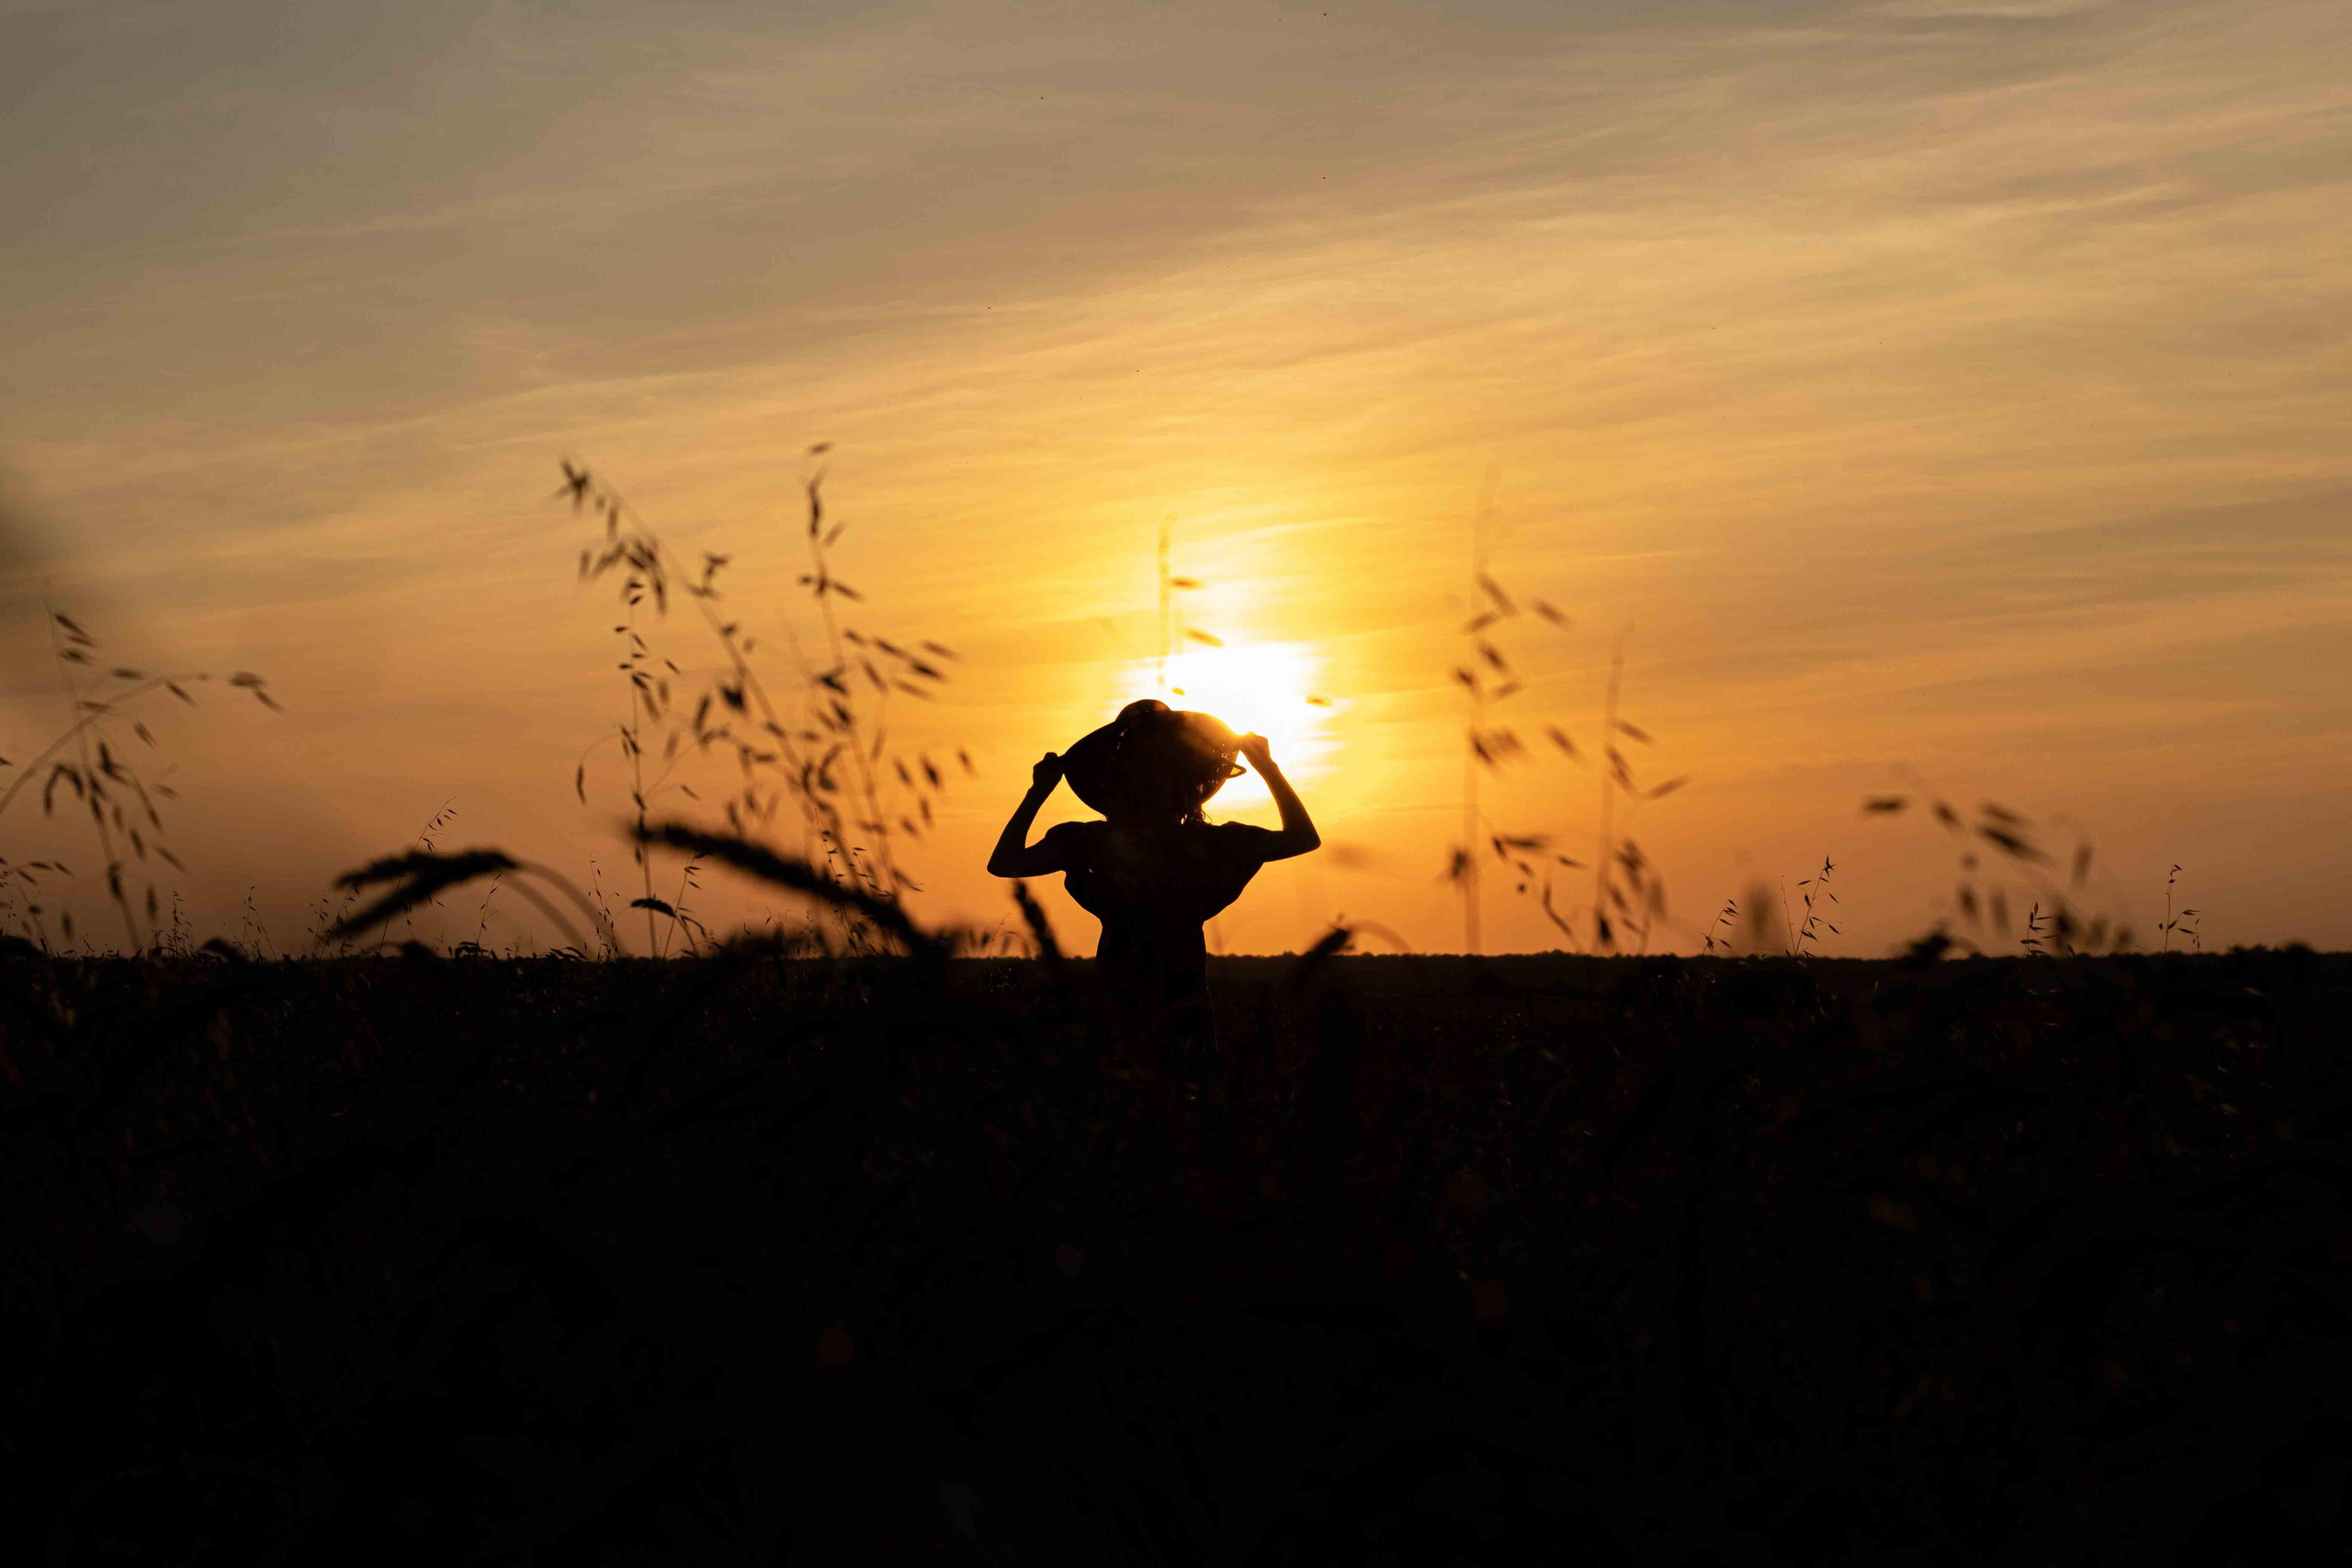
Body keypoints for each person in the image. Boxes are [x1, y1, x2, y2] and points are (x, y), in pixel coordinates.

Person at [988, 699, 1320, 1055]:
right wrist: (1268, 769)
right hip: (1178, 1021)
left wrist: (1038, 792)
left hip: (1124, 1018)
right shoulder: (1212, 844)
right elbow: (1302, 838)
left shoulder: (1088, 842)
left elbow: (1006, 863)